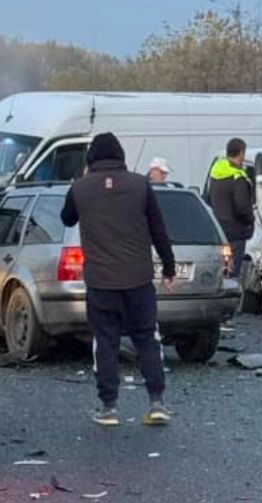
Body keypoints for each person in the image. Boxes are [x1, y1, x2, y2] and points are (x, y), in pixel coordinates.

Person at [60, 132, 176, 427]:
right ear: (121, 156)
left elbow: (66, 218)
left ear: (91, 160)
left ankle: (108, 407)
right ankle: (157, 402)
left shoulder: (80, 188)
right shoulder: (141, 185)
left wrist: (84, 180)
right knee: (148, 338)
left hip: (101, 283)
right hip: (138, 279)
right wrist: (169, 267)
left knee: (106, 341)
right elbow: (159, 229)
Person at [208, 138, 254, 279]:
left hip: (219, 229)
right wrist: (250, 219)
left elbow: (209, 198)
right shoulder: (237, 177)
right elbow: (241, 206)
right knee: (233, 273)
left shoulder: (216, 173)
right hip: (236, 230)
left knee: (224, 268)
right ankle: (232, 296)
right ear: (241, 153)